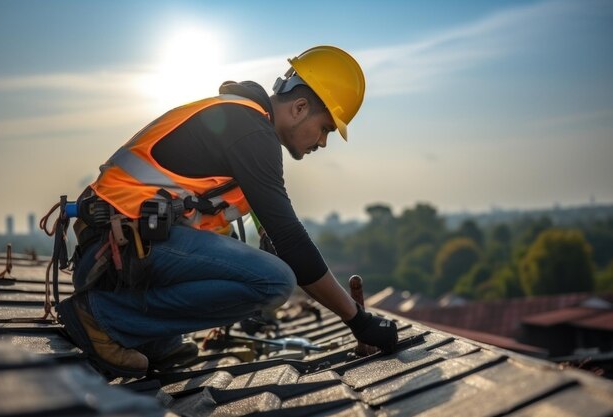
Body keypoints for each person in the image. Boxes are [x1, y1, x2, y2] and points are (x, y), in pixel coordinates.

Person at [56, 45, 398, 378]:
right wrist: (358, 320)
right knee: (274, 280)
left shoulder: (244, 123)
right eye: (324, 128)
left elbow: (267, 224)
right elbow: (292, 241)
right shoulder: (251, 131)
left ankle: (150, 335)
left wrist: (267, 237)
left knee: (255, 262)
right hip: (116, 251)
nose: (322, 142)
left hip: (120, 252)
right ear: (299, 107)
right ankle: (107, 318)